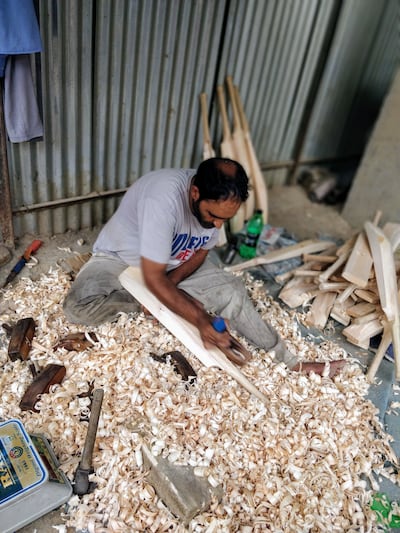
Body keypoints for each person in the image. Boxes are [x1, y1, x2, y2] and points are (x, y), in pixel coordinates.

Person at [63, 158, 345, 377]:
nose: (218, 226)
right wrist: (198, 317)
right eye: (212, 216)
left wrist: (172, 289)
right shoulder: (162, 199)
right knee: (78, 307)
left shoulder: (217, 203)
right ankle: (150, 306)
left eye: (226, 219)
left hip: (176, 266)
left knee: (234, 291)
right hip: (121, 260)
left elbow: (200, 252)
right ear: (195, 192)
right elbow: (152, 276)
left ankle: (289, 361)